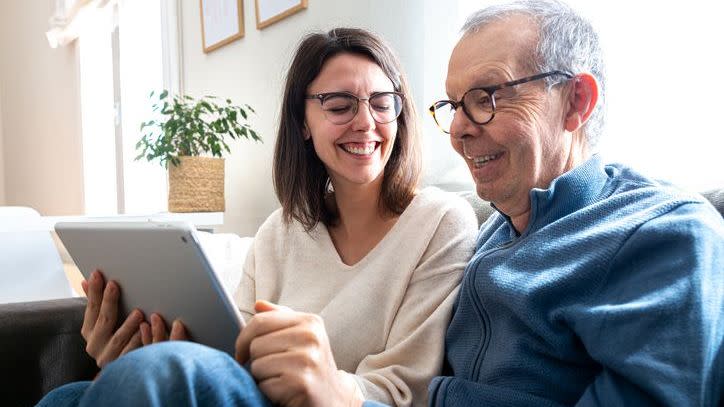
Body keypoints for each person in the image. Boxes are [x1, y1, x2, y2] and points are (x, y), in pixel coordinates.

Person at [37, 28, 478, 407]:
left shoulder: (441, 222)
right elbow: (231, 355)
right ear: (302, 122)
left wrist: (326, 382)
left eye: (383, 103)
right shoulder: (280, 231)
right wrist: (139, 352)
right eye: (340, 105)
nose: (366, 121)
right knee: (69, 396)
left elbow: (407, 391)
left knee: (153, 376)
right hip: (249, 391)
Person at [423, 1, 724, 406]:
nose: (457, 130)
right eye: (454, 105)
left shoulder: (667, 234)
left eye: (486, 96)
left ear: (576, 101)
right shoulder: (489, 231)